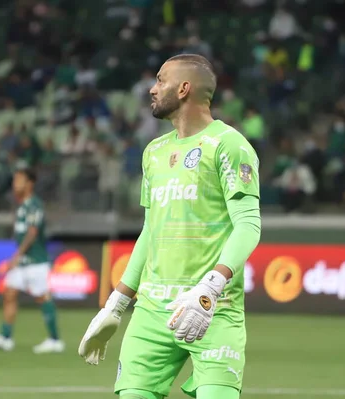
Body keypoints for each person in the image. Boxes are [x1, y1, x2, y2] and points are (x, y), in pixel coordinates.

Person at [78, 54, 262, 399]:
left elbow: (249, 225)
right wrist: (115, 304)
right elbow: (151, 231)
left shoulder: (229, 145)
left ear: (184, 88)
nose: (152, 88)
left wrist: (210, 289)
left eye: (161, 80)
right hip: (151, 313)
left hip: (213, 309)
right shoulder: (154, 152)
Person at [0, 168, 64, 354]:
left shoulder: (34, 205)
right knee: (9, 293)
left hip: (35, 261)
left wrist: (16, 257)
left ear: (30, 184)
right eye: (14, 180)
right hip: (23, 261)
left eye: (19, 180)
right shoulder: (22, 206)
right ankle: (5, 337)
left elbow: (33, 233)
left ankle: (55, 340)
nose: (15, 184)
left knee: (42, 297)